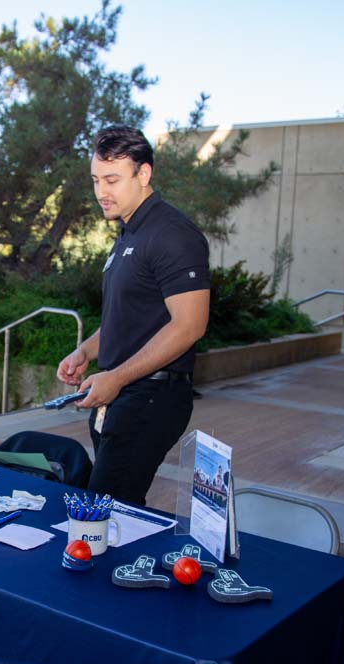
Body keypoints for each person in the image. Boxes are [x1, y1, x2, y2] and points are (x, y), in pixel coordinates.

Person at [56, 125, 210, 506]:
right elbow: (128, 318)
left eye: (112, 179)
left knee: (103, 511)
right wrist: (87, 352)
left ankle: (124, 567)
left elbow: (190, 325)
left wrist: (117, 376)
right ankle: (131, 566)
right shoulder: (128, 233)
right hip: (119, 393)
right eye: (95, 180)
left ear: (143, 174)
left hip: (151, 397)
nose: (100, 192)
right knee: (118, 508)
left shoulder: (171, 233)